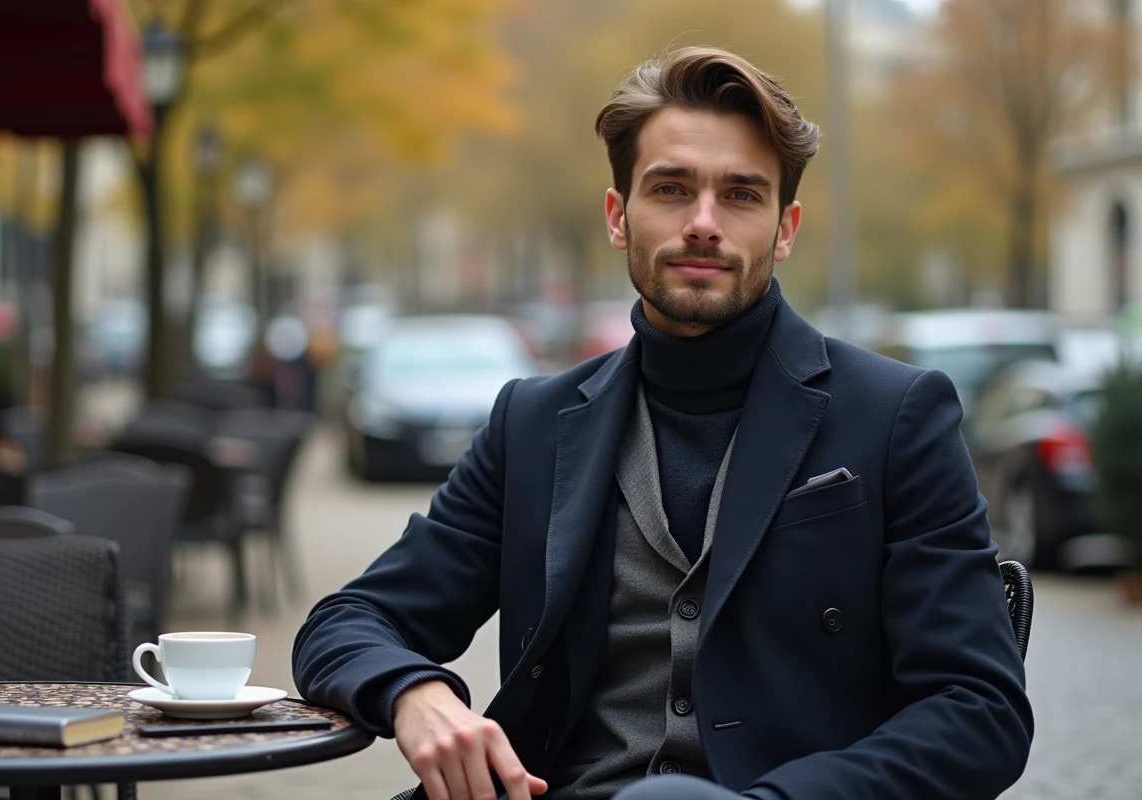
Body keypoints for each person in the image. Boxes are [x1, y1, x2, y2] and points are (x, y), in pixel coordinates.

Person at [293, 46, 1033, 800]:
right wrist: (415, 692)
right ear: (619, 217)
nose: (703, 223)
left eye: (741, 196)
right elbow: (345, 622)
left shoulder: (896, 415)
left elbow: (980, 711)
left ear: (785, 228)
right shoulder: (534, 424)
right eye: (671, 189)